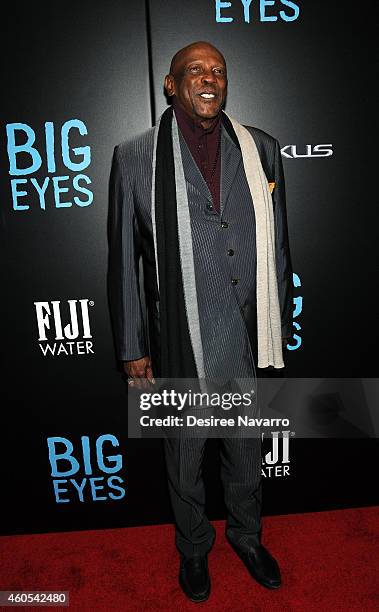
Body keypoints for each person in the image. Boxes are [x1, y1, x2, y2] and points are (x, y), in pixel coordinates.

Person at [108, 41, 294, 602]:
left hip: (241, 328)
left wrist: (274, 320)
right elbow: (124, 263)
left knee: (244, 446)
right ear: (171, 84)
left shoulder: (260, 148)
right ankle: (193, 548)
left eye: (218, 70)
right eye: (195, 70)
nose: (209, 78)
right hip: (179, 339)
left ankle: (246, 536)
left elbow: (278, 244)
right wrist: (132, 346)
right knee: (185, 455)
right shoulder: (136, 157)